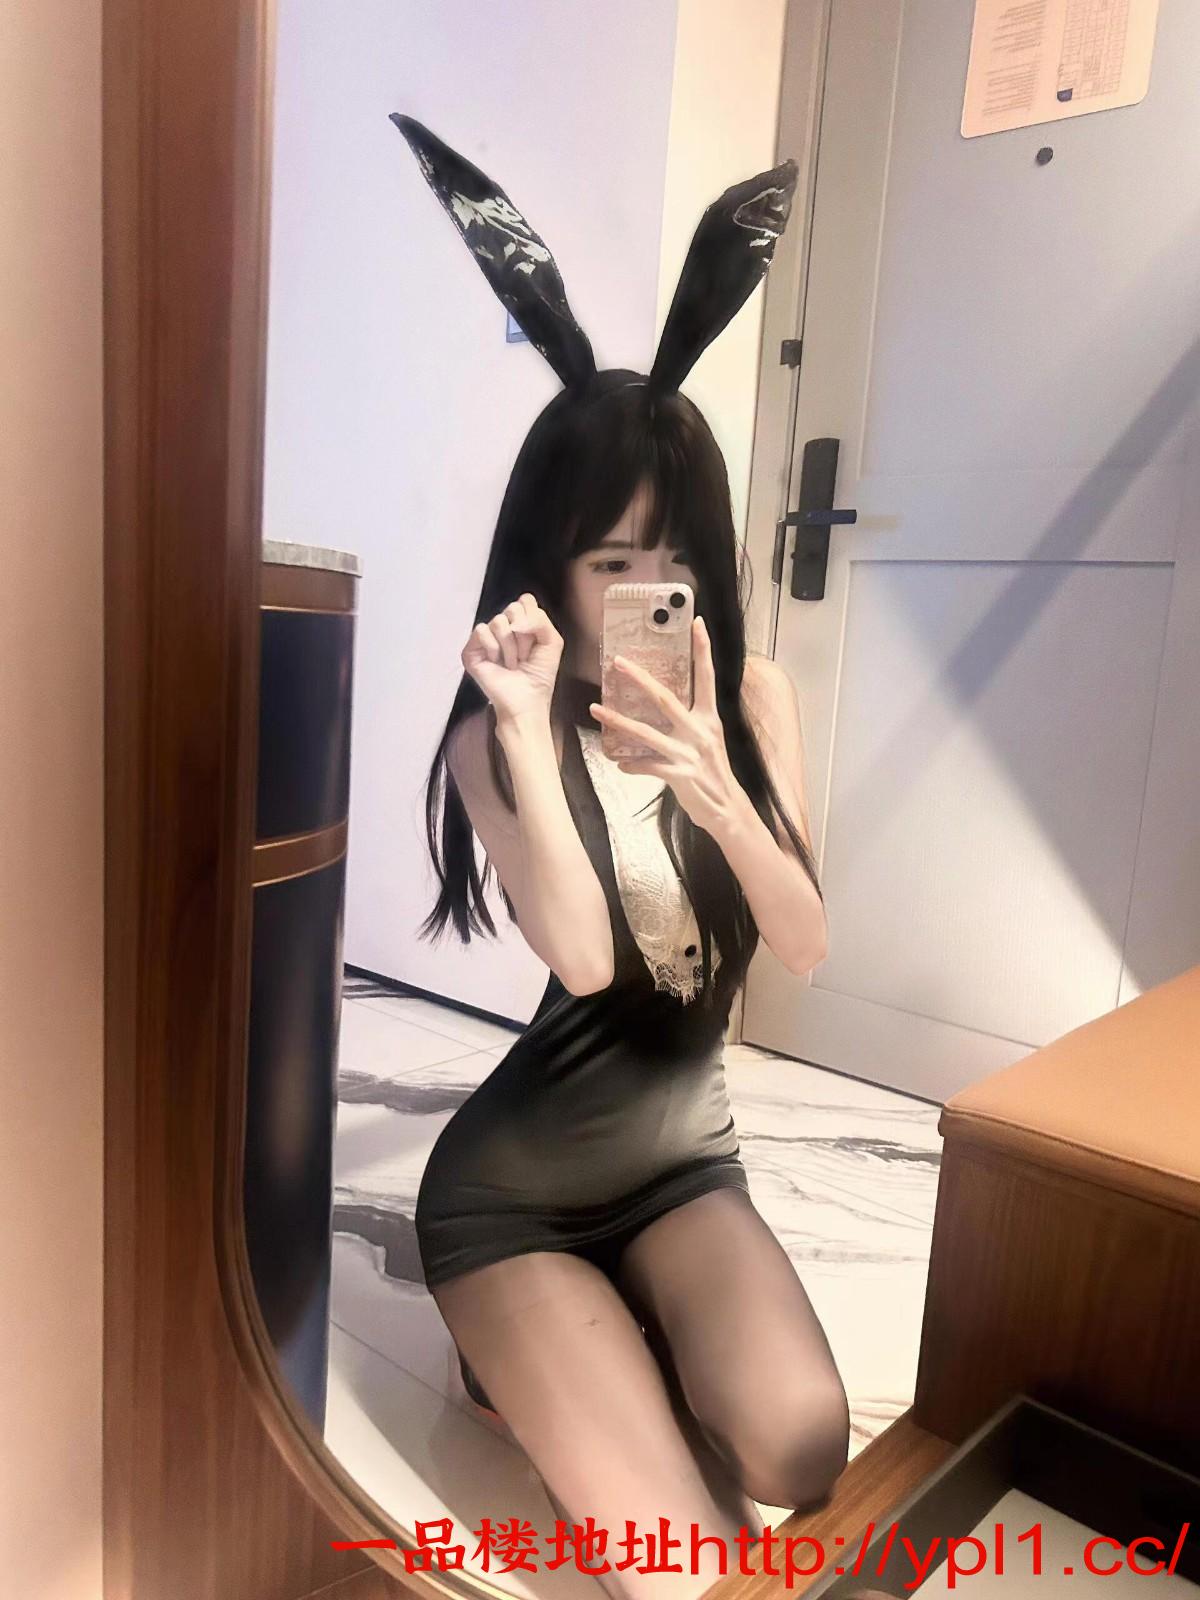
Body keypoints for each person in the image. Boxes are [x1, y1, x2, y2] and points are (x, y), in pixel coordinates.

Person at [394, 117, 850, 1600]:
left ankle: (627, 1328)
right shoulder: (496, 733)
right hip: (514, 1197)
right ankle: (508, 1343)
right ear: (552, 568)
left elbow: (805, 943)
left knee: (801, 1452)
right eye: (610, 563)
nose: (649, 594)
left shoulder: (754, 697)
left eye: (675, 562)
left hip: (684, 1171)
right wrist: (533, 733)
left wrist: (716, 780)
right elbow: (586, 961)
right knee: (681, 1564)